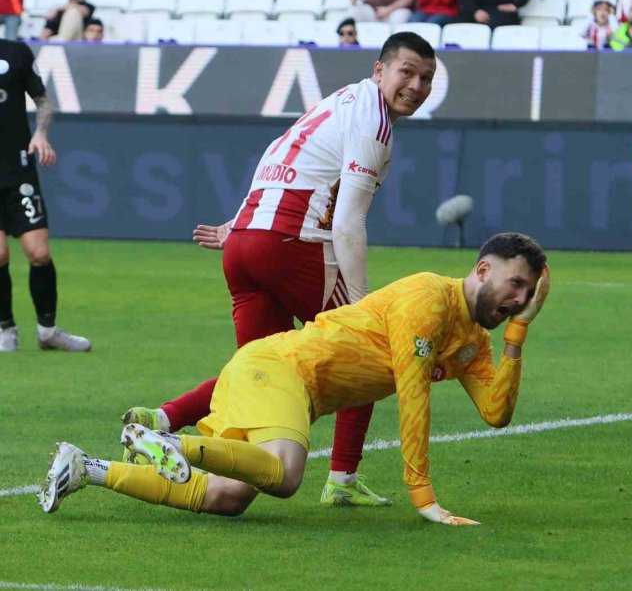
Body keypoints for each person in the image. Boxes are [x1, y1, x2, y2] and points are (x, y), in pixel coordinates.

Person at [119, 32, 436, 507]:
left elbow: (281, 153)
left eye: (426, 78)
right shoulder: (372, 119)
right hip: (289, 244)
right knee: (370, 349)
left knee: (257, 373)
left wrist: (240, 225)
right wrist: (362, 305)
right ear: (379, 71)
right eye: (406, 72)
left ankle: (161, 421)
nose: (415, 85)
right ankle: (342, 479)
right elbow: (348, 221)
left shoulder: (340, 102)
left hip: (247, 241)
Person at [39, 233, 550, 524]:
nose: (520, 299)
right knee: (285, 476)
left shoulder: (474, 341)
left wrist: (518, 333)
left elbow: (496, 413)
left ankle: (87, 468)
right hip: (282, 368)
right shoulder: (428, 299)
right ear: (483, 270)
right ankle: (170, 442)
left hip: (275, 381)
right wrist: (425, 499)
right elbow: (413, 394)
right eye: (516, 285)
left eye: (529, 294)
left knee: (227, 498)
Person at [0, 39, 92, 354]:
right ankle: (6, 328)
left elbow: (42, 101)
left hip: (18, 169)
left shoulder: (16, 52)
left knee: (38, 253)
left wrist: (41, 133)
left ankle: (48, 331)